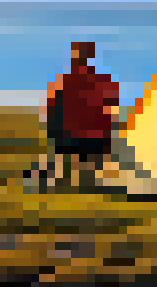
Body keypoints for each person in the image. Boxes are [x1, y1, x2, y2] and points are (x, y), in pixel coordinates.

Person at [41, 41, 120, 191]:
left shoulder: (63, 82)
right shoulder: (103, 81)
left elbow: (52, 110)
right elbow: (112, 107)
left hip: (70, 140)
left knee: (69, 163)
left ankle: (66, 177)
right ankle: (87, 179)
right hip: (96, 140)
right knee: (87, 171)